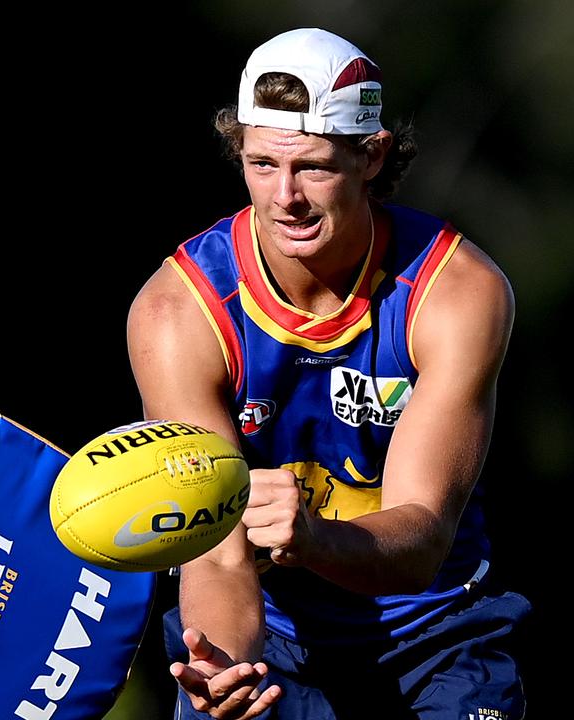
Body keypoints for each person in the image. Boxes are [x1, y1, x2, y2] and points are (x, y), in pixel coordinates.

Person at [127, 28, 530, 720]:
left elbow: (423, 543)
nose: (285, 198)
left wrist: (311, 538)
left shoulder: (456, 293)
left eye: (312, 167)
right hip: (267, 642)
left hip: (436, 639)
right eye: (260, 165)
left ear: (371, 157)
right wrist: (225, 670)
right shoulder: (177, 312)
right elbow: (217, 557)